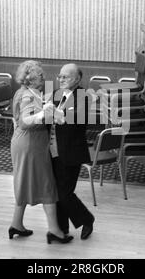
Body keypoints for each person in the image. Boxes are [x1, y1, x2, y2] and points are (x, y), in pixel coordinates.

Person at [9, 60, 73, 244]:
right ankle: (54, 230)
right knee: (47, 184)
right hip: (30, 145)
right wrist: (43, 114)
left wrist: (52, 113)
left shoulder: (29, 93)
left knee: (24, 182)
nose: (44, 77)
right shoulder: (27, 95)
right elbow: (24, 122)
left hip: (28, 143)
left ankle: (16, 224)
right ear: (29, 78)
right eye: (40, 74)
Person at [49, 63, 95, 240]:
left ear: (76, 79)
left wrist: (57, 114)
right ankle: (62, 229)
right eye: (59, 76)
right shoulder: (56, 94)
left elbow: (78, 121)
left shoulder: (83, 96)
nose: (60, 80)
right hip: (52, 151)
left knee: (64, 193)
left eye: (65, 77)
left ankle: (87, 219)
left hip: (71, 152)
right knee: (56, 192)